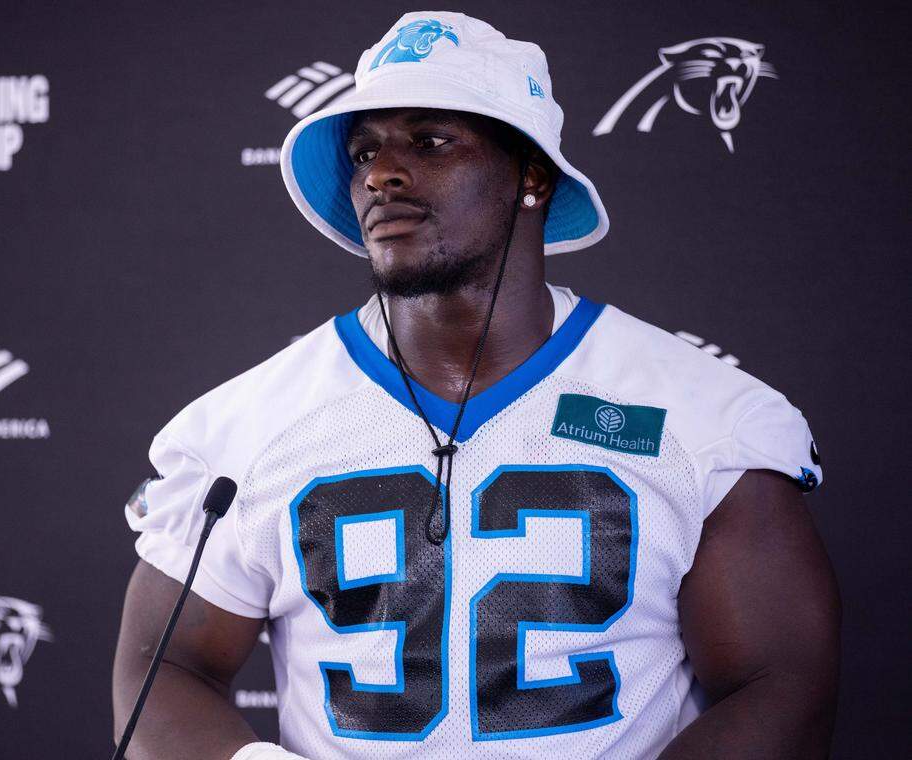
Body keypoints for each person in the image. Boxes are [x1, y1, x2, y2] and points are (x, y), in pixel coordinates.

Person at [112, 12, 839, 759]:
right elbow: (165, 669)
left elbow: (779, 684)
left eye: (430, 141)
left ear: (533, 173)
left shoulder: (699, 417)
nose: (379, 173)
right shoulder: (249, 428)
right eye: (364, 150)